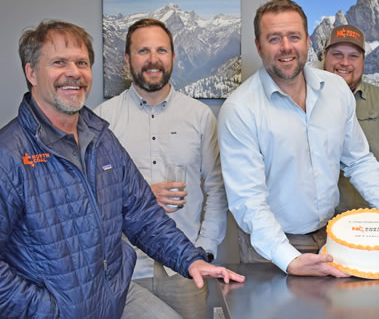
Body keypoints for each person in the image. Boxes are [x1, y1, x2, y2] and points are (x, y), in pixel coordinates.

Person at [0, 20, 243, 318]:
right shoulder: (9, 154)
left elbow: (142, 215)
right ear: (31, 72)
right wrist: (44, 310)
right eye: (59, 63)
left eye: (81, 63)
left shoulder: (101, 137)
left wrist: (191, 259)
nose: (73, 73)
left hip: (112, 296)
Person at [217, 0, 379, 277]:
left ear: (308, 40)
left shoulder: (336, 90)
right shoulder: (240, 110)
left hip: (331, 237)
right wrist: (289, 258)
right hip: (271, 248)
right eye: (274, 38)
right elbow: (248, 200)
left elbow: (358, 160)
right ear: (259, 47)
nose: (286, 47)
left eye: (294, 36)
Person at [94, 18, 228, 318]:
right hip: (125, 270)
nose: (153, 60)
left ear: (173, 58)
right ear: (127, 60)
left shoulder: (200, 116)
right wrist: (136, 198)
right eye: (143, 51)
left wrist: (203, 249)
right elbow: (90, 199)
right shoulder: (102, 120)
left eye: (161, 51)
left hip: (184, 269)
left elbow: (218, 190)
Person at [322, 24, 379, 213]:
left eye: (353, 56)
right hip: (310, 226)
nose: (345, 62)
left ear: (363, 61)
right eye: (337, 54)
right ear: (324, 56)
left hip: (365, 222)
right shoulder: (303, 98)